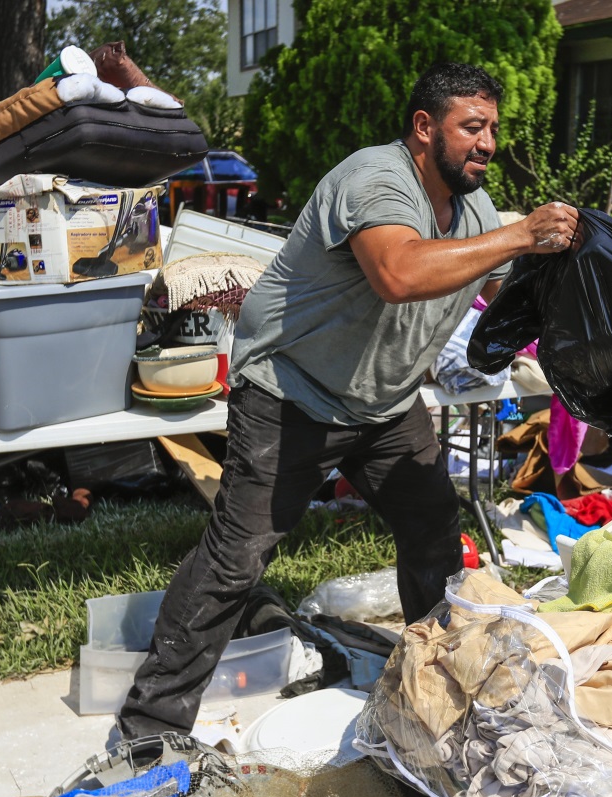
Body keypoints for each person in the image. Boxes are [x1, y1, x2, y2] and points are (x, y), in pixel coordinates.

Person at [118, 61, 579, 740]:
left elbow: (503, 292)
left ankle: (441, 686)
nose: (486, 143)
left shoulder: (475, 210)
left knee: (433, 538)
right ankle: (147, 729)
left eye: (492, 131)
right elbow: (398, 272)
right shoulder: (375, 178)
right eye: (472, 127)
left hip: (385, 405)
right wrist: (518, 234)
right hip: (292, 391)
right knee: (237, 556)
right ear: (425, 128)